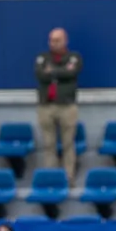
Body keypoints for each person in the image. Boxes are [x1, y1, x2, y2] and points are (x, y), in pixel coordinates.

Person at [35, 28, 83, 181]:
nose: (53, 43)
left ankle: (68, 178)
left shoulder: (74, 57)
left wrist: (52, 71)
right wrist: (61, 71)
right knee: (49, 144)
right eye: (51, 40)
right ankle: (52, 179)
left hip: (66, 106)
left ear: (65, 41)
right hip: (46, 106)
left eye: (57, 40)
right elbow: (40, 75)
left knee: (68, 144)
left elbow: (71, 73)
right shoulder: (42, 57)